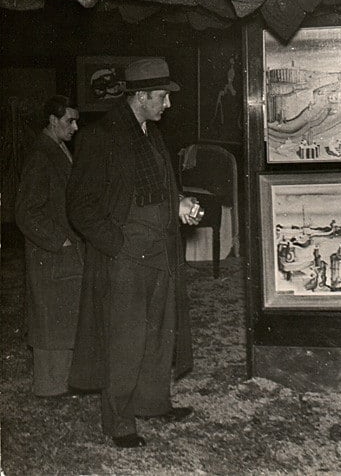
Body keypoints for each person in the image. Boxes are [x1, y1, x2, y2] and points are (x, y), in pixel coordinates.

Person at [66, 58, 202, 449]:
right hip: (125, 255)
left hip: (161, 249)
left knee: (160, 332)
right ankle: (119, 422)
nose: (167, 105)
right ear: (140, 97)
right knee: (125, 339)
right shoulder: (100, 136)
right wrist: (118, 244)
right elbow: (80, 205)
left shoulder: (149, 131)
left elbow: (154, 186)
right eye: (161, 97)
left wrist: (179, 203)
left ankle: (153, 403)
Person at [15, 95, 83, 398]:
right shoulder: (41, 155)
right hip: (50, 253)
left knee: (61, 317)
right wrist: (60, 240)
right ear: (53, 120)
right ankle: (50, 386)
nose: (75, 126)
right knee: (50, 319)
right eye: (69, 120)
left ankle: (61, 383)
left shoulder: (57, 148)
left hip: (60, 252)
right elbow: (26, 211)